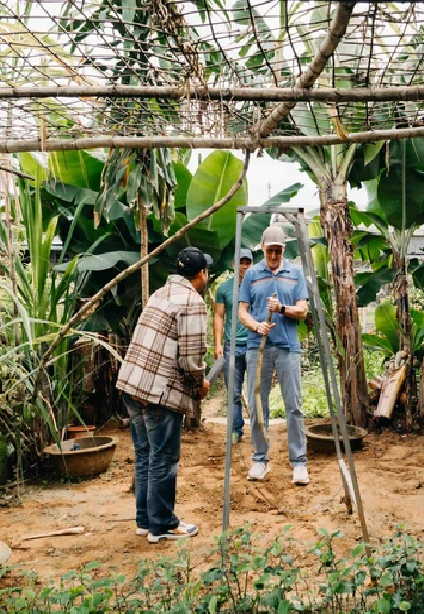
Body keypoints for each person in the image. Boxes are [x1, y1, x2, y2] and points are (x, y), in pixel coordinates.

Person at [116, 247, 212, 543]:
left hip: (132, 384)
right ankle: (162, 525)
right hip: (158, 391)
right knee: (164, 458)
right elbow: (191, 359)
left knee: (146, 454)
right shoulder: (192, 302)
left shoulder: (160, 293)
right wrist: (200, 385)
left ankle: (145, 521)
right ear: (201, 274)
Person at [238, 225, 310, 486]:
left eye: (278, 250)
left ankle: (299, 462)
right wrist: (256, 325)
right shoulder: (252, 275)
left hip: (288, 347)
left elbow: (302, 311)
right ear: (262, 247)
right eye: (270, 250)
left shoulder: (296, 273)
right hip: (257, 347)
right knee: (258, 406)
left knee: (294, 406)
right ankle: (260, 459)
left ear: (283, 249)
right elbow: (242, 311)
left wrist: (281, 309)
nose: (274, 255)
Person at [214, 248, 253, 442]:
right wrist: (217, 344)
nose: (244, 266)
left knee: (257, 391)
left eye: (248, 262)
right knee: (234, 393)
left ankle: (259, 430)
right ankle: (236, 429)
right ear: (234, 264)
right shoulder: (224, 289)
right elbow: (219, 316)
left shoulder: (257, 286)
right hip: (232, 346)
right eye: (241, 262)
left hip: (254, 345)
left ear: (252, 264)